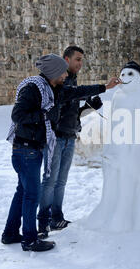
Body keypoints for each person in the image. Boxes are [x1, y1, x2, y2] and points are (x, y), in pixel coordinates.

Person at [37, 46, 121, 238]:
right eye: (77, 59)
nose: (80, 64)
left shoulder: (71, 79)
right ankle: (43, 221)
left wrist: (91, 107)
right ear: (66, 59)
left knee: (61, 181)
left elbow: (73, 112)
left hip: (69, 135)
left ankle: (56, 217)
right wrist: (104, 87)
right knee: (50, 181)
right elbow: (71, 94)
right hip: (55, 137)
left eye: (82, 60)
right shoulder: (58, 79)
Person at [2, 54, 69, 252]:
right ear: (54, 72)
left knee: (22, 192)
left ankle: (10, 233)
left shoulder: (49, 88)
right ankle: (30, 240)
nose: (66, 75)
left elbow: (73, 92)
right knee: (32, 195)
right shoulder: (33, 88)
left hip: (29, 149)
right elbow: (17, 115)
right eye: (63, 71)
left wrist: (102, 88)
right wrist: (44, 115)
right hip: (26, 150)